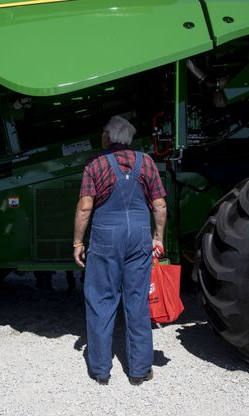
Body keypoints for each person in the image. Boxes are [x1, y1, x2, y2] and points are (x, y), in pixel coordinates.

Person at [73, 115, 167, 386]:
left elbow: (85, 207)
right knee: (137, 301)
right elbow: (159, 205)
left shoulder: (96, 164)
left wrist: (78, 242)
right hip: (138, 236)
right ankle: (139, 370)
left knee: (102, 300)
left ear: (108, 137)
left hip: (105, 237)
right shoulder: (146, 162)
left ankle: (101, 371)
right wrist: (158, 238)